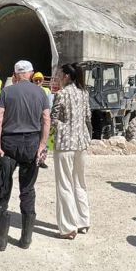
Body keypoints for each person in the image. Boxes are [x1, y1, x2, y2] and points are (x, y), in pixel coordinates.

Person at [0, 60, 51, 251]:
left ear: (15, 74)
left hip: (9, 143)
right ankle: (25, 240)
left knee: (2, 187)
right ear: (30, 74)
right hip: (31, 144)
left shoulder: (7, 91)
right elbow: (46, 120)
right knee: (27, 190)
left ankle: (0, 240)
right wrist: (42, 146)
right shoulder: (41, 92)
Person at [51, 64, 92, 239]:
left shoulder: (61, 94)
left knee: (64, 185)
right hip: (81, 143)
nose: (58, 76)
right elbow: (88, 117)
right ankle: (83, 220)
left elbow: (53, 119)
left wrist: (58, 128)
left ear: (67, 76)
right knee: (79, 183)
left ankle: (68, 227)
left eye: (60, 74)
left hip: (65, 143)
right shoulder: (84, 93)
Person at [33, 71, 53, 168]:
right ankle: (33, 159)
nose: (37, 82)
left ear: (42, 81)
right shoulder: (31, 90)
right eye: (36, 80)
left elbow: (50, 105)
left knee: (45, 139)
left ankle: (41, 160)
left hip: (43, 118)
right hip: (33, 118)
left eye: (39, 80)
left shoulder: (47, 91)